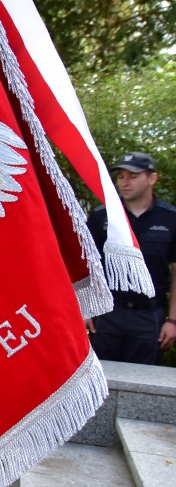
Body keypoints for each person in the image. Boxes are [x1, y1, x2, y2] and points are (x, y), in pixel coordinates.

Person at [87, 151, 176, 364]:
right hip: (107, 313)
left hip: (149, 316)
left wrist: (173, 320)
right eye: (121, 177)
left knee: (144, 381)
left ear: (151, 178)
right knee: (103, 376)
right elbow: (87, 265)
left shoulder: (170, 219)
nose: (125, 182)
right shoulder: (102, 216)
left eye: (133, 176)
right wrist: (85, 309)